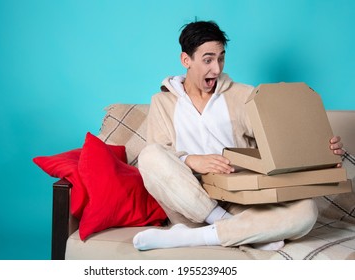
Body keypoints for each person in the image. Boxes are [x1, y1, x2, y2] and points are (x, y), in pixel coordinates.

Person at [133, 20, 344, 251]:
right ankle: (231, 227)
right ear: (186, 60)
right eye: (208, 59)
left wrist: (320, 152)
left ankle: (191, 237)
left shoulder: (243, 95)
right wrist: (190, 160)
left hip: (240, 199)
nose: (217, 68)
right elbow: (159, 160)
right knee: (149, 155)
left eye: (221, 58)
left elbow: (279, 141)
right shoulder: (161, 102)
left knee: (306, 211)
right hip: (188, 202)